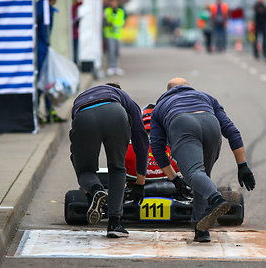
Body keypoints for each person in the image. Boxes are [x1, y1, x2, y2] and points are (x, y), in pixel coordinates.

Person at [150, 78, 256, 243]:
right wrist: (242, 165)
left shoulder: (160, 106)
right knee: (202, 176)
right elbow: (232, 131)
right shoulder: (206, 97)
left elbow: (157, 148)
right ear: (189, 87)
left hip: (182, 123)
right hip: (210, 123)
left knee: (194, 174)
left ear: (167, 91)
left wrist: (174, 179)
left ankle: (216, 199)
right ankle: (201, 229)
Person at [69, 83, 149, 238]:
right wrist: (140, 182)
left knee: (85, 170)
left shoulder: (81, 97)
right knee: (117, 168)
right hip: (116, 115)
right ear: (118, 91)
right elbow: (141, 139)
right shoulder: (124, 98)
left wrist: (88, 186)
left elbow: (75, 146)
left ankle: (96, 190)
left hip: (83, 115)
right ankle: (115, 223)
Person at [36, 0, 65, 123]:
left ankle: (50, 110)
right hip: (40, 50)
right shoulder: (42, 7)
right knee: (42, 81)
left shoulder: (46, 8)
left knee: (48, 81)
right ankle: (37, 112)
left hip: (44, 48)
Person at [103, 0, 125, 76]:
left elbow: (121, 22)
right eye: (112, 2)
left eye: (115, 2)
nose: (113, 4)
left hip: (117, 35)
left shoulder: (120, 11)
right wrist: (108, 23)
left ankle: (115, 67)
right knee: (111, 51)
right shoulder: (107, 11)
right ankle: (111, 67)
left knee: (116, 51)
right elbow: (104, 21)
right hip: (109, 34)